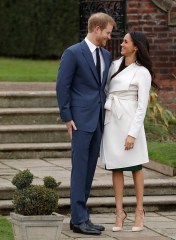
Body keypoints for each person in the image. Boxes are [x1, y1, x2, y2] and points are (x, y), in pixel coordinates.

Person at [56, 12, 116, 235]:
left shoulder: (107, 56)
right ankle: (78, 219)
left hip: (98, 119)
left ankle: (82, 217)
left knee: (90, 169)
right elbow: (63, 86)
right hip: (79, 121)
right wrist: (67, 117)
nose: (109, 37)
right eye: (108, 33)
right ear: (97, 29)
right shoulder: (73, 53)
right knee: (80, 169)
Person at [100, 31, 158, 232]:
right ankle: (119, 212)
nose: (122, 44)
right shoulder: (114, 65)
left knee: (135, 167)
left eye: (126, 41)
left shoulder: (142, 72)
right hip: (112, 121)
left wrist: (132, 133)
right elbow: (106, 90)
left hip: (129, 120)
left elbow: (142, 106)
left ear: (136, 47)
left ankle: (139, 211)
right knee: (116, 167)